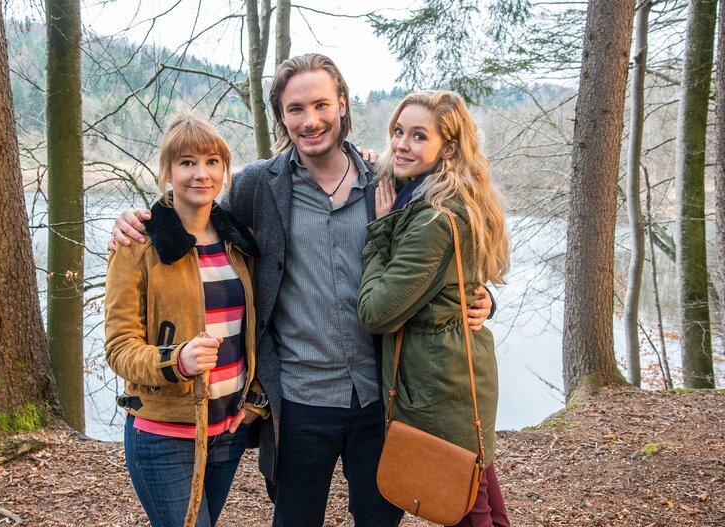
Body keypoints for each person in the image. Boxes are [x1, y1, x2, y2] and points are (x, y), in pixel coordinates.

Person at [110, 54, 494, 527]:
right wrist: (143, 218)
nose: (310, 121)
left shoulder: (388, 181)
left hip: (379, 394)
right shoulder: (258, 185)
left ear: (342, 104)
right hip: (297, 399)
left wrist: (482, 299)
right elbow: (200, 214)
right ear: (282, 116)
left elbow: (443, 252)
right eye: (296, 109)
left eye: (320, 105)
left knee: (379, 518)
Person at [104, 115, 269, 527]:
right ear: (167, 172)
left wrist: (253, 402)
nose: (201, 174)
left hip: (227, 432)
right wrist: (176, 360)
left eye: (213, 161)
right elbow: (119, 348)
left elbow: (258, 330)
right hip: (164, 434)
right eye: (187, 162)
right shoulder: (138, 244)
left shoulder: (239, 242)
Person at [357, 90, 510, 527]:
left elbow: (377, 312)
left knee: (466, 510)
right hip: (457, 378)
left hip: (441, 385)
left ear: (448, 147)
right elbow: (457, 284)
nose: (402, 144)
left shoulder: (434, 217)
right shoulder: (431, 195)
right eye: (398, 132)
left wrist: (379, 232)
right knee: (482, 503)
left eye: (418, 136)